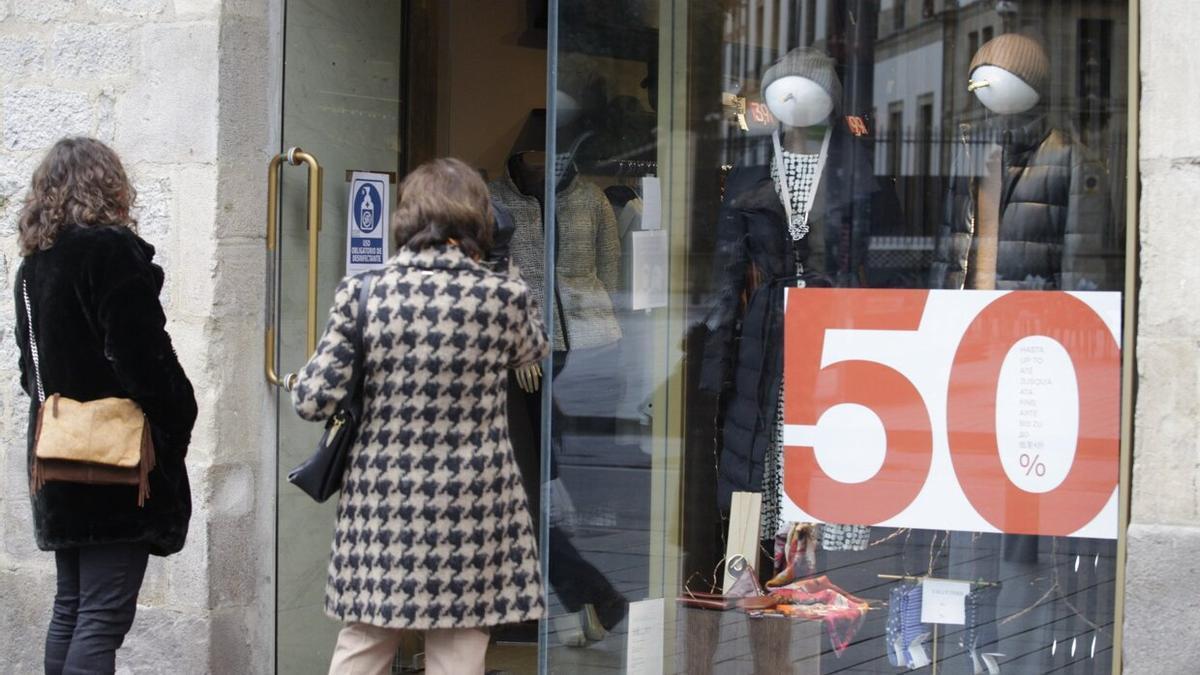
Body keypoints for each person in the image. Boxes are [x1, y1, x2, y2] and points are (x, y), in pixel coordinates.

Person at [290, 157, 548, 675]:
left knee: (366, 637)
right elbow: (533, 349)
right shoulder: (502, 298)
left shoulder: (364, 293)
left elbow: (312, 399)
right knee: (459, 643)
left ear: (407, 218)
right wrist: (501, 261)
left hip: (384, 502)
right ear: (480, 221)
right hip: (476, 501)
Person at [14, 137, 198, 674]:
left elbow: (32, 372)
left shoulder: (34, 266)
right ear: (109, 186)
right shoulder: (111, 252)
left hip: (58, 456)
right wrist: (177, 417)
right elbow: (143, 359)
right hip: (117, 468)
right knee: (101, 618)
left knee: (71, 609)